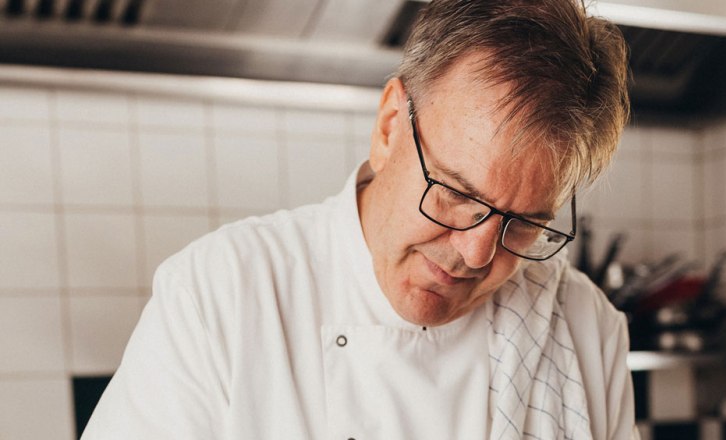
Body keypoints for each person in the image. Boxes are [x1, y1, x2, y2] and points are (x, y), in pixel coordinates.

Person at [83, 0, 636, 438]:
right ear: (391, 125)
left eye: (523, 224)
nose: (476, 253)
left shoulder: (585, 328)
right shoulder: (220, 294)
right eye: (455, 193)